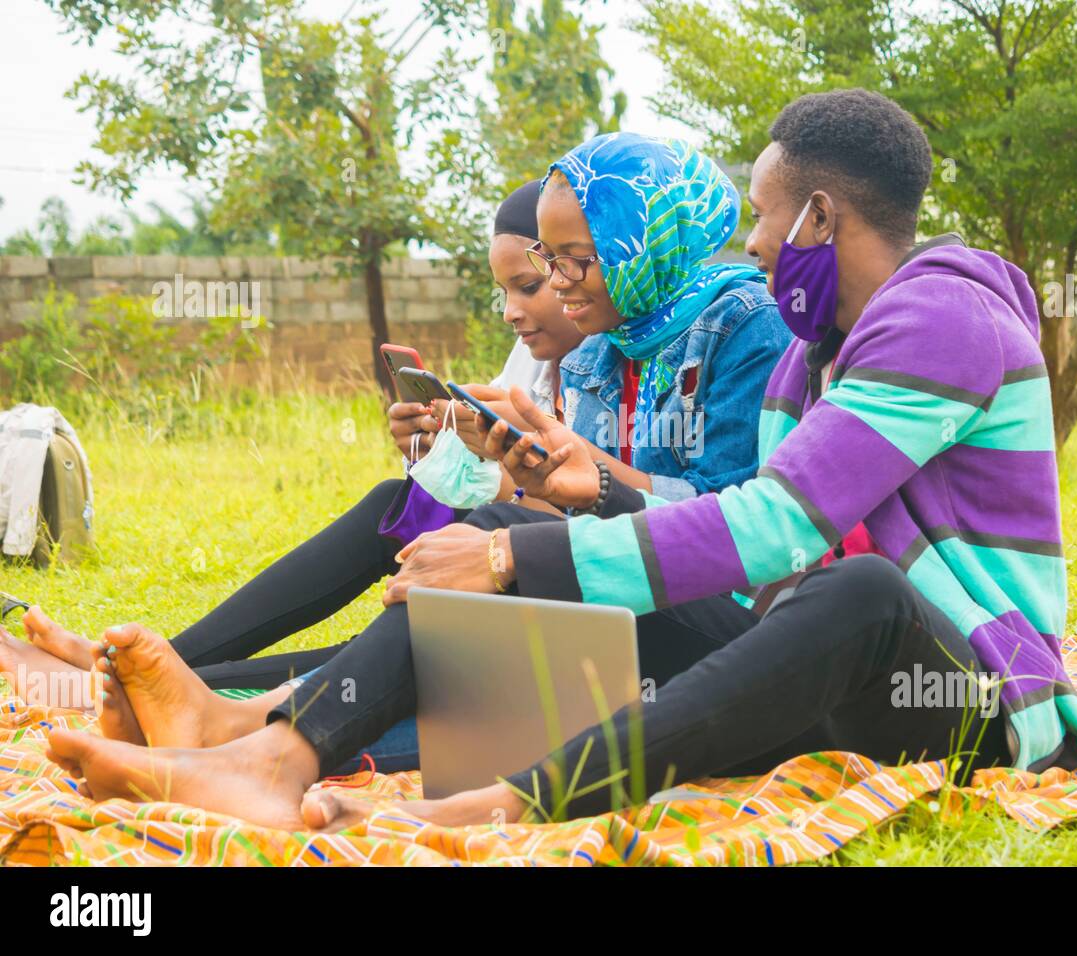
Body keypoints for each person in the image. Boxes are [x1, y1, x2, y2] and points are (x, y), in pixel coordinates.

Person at [43, 90, 1077, 830]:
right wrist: (517, 534)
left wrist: (525, 565)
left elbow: (778, 525)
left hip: (969, 697)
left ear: (820, 212)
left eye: (768, 215)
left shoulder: (939, 320)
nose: (759, 239)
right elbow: (763, 577)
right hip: (810, 663)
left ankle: (511, 799)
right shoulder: (812, 358)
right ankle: (276, 753)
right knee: (504, 530)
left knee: (853, 590)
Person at [15, 137, 790, 785]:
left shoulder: (744, 328)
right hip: (619, 582)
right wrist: (529, 480)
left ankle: (237, 726)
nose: (551, 287)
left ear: (639, 244)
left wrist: (548, 507)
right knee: (451, 594)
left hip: (719, 613)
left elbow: (736, 530)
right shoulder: (608, 346)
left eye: (566, 263)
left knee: (480, 569)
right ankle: (213, 713)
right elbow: (589, 501)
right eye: (543, 267)